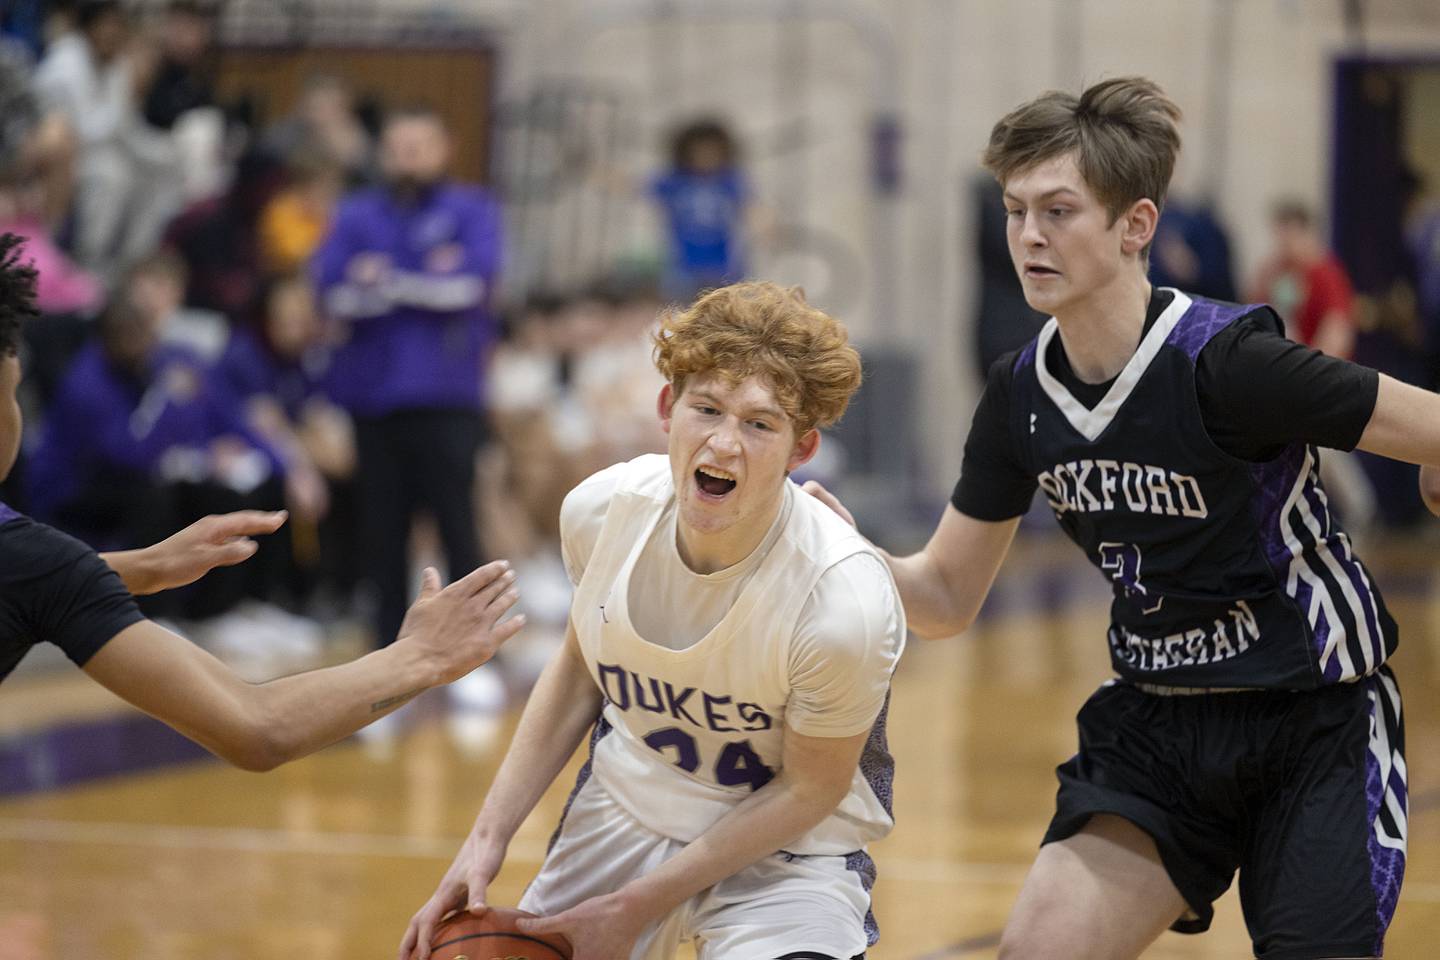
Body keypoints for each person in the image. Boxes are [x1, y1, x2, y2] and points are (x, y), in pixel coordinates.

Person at [805, 77, 1440, 959]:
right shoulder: (1019, 390)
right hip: (1156, 727)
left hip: (1313, 718)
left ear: (1135, 225)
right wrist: (832, 550)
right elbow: (946, 596)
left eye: (1059, 210)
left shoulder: (1229, 364)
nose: (1030, 234)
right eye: (1015, 210)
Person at [400, 281, 905, 960]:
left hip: (786, 852)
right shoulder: (601, 510)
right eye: (708, 409)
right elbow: (580, 667)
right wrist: (484, 842)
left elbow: (811, 788)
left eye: (759, 424)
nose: (725, 443)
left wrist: (635, 907)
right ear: (668, 408)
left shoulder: (842, 603)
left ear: (801, 448)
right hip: (626, 811)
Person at [0, 231, 526, 769]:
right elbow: (259, 727)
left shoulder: (29, 560)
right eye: (14, 392)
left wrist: (146, 566)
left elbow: (31, 577)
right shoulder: (27, 554)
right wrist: (420, 657)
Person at [313, 103, 503, 650]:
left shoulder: (472, 209)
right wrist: (419, 281)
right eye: (396, 148)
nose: (406, 159)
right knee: (382, 528)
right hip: (372, 397)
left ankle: (474, 642)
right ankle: (388, 648)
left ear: (445, 149)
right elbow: (333, 293)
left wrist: (389, 281)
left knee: (456, 523)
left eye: (418, 147)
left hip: (448, 395)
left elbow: (470, 288)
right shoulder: (357, 214)